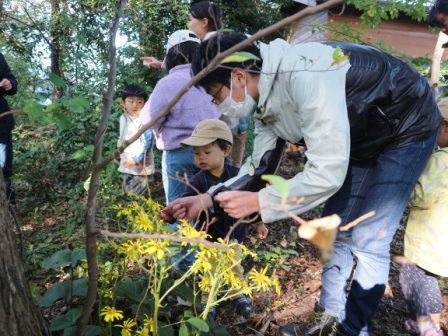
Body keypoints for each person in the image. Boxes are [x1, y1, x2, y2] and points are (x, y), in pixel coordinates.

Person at [163, 32, 441, 336]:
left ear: (239, 76)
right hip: (362, 139)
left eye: (215, 94)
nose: (217, 103)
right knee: (338, 228)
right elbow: (258, 167)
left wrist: (260, 203)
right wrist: (207, 199)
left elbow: (327, 171)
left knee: (369, 238)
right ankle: (329, 320)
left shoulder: (305, 74)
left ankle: (353, 329)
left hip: (407, 125)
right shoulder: (265, 102)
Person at [175, 118, 268, 318]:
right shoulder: (198, 180)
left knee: (235, 266)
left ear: (226, 151)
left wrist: (259, 222)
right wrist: (180, 212)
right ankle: (208, 300)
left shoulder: (238, 176)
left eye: (207, 152)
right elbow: (186, 199)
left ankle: (237, 295)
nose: (201, 157)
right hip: (208, 237)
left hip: (235, 235)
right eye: (196, 152)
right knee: (209, 270)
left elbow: (249, 200)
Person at [139, 29, 220, 204]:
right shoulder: (210, 80)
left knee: (180, 212)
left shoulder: (168, 83)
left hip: (180, 152)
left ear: (171, 55)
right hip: (212, 151)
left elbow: (148, 119)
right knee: (206, 208)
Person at [398, 97, 448, 336]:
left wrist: (409, 189)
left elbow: (423, 197)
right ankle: (434, 325)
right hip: (442, 241)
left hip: (428, 238)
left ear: (446, 126)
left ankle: (426, 326)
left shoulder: (441, 160)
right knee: (430, 280)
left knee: (410, 277)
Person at [118, 84, 154, 197]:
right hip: (127, 165)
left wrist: (136, 159)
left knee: (138, 197)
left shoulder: (143, 120)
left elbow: (147, 141)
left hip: (140, 167)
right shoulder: (123, 118)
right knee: (127, 193)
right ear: (123, 103)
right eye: (131, 101)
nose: (135, 105)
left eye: (139, 102)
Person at [0, 52, 18, 204]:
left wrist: (9, 83)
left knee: (5, 171)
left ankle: (10, 212)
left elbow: (12, 84)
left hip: (1, 128)